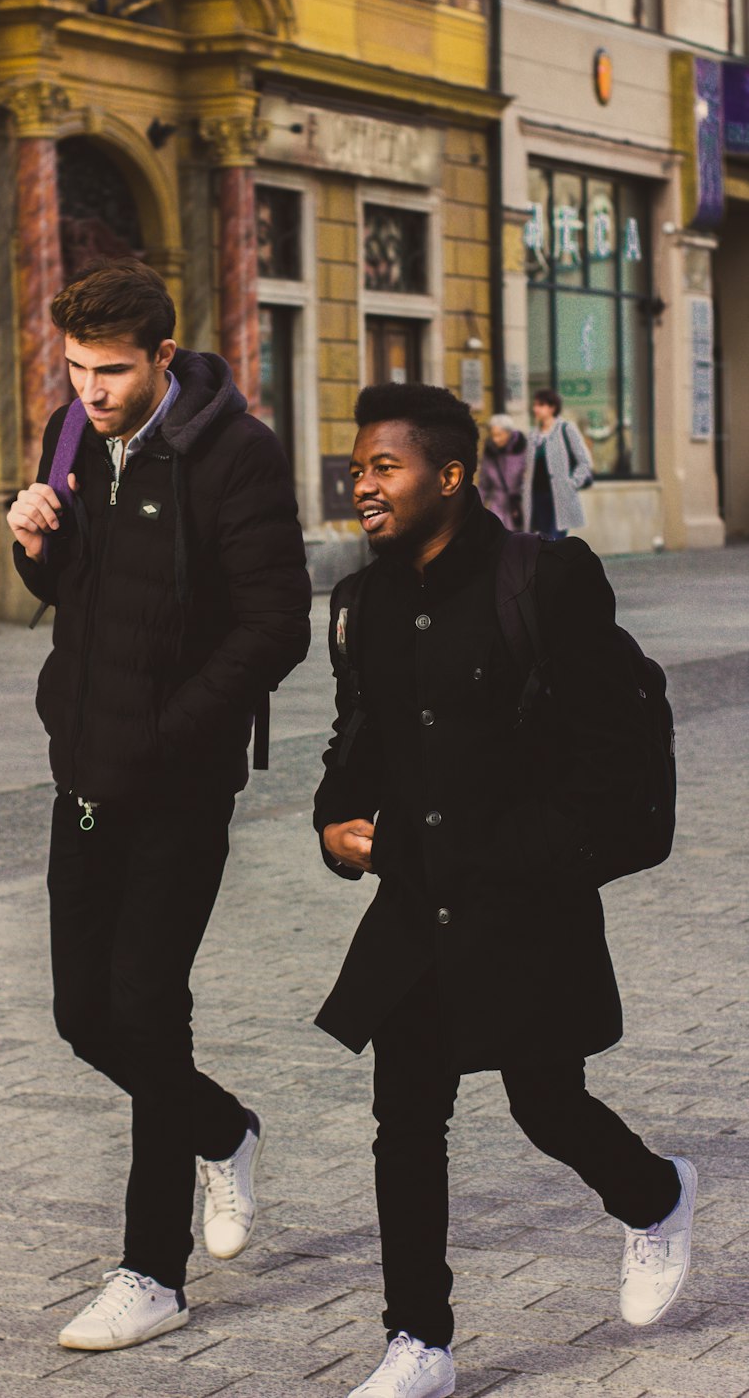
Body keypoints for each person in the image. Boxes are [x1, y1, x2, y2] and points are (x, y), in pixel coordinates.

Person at [314, 381, 696, 1398]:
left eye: (383, 467)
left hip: (525, 901)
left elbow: (608, 757)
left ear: (449, 475)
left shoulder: (548, 580)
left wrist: (522, 850)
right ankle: (418, 1343)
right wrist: (333, 823)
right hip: (412, 908)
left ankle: (655, 1197)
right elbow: (355, 746)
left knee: (544, 1100)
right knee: (404, 1115)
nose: (363, 485)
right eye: (356, 469)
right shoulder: (361, 603)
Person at [6, 258, 311, 1353]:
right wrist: (33, 540)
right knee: (82, 1015)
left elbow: (276, 623)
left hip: (177, 784)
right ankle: (221, 1130)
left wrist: (170, 733)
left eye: (113, 371)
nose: (90, 390)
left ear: (163, 359)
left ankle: (151, 1272)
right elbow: (68, 591)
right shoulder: (69, 433)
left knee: (144, 1004)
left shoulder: (237, 454)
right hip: (84, 771)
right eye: (77, 368)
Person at [523, 387, 592, 539]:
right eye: (535, 405)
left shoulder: (566, 429)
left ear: (552, 407)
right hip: (537, 497)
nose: (535, 409)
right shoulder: (533, 435)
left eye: (540, 405)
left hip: (559, 496)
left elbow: (584, 460)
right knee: (542, 540)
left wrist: (572, 483)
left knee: (555, 540)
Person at [477, 412, 526, 530]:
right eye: (493, 435)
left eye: (499, 435)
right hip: (497, 506)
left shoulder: (523, 449)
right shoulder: (490, 453)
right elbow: (484, 485)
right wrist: (477, 508)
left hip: (519, 506)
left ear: (509, 433)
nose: (495, 439)